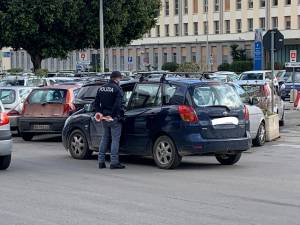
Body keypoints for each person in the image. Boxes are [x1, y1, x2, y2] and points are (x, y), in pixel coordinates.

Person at [94, 71, 125, 169]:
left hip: (103, 117)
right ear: (117, 78)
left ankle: (101, 161)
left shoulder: (101, 88)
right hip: (113, 118)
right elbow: (118, 105)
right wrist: (112, 115)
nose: (120, 80)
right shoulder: (117, 89)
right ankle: (114, 162)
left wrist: (100, 113)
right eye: (120, 78)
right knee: (115, 139)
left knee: (105, 138)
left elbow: (96, 103)